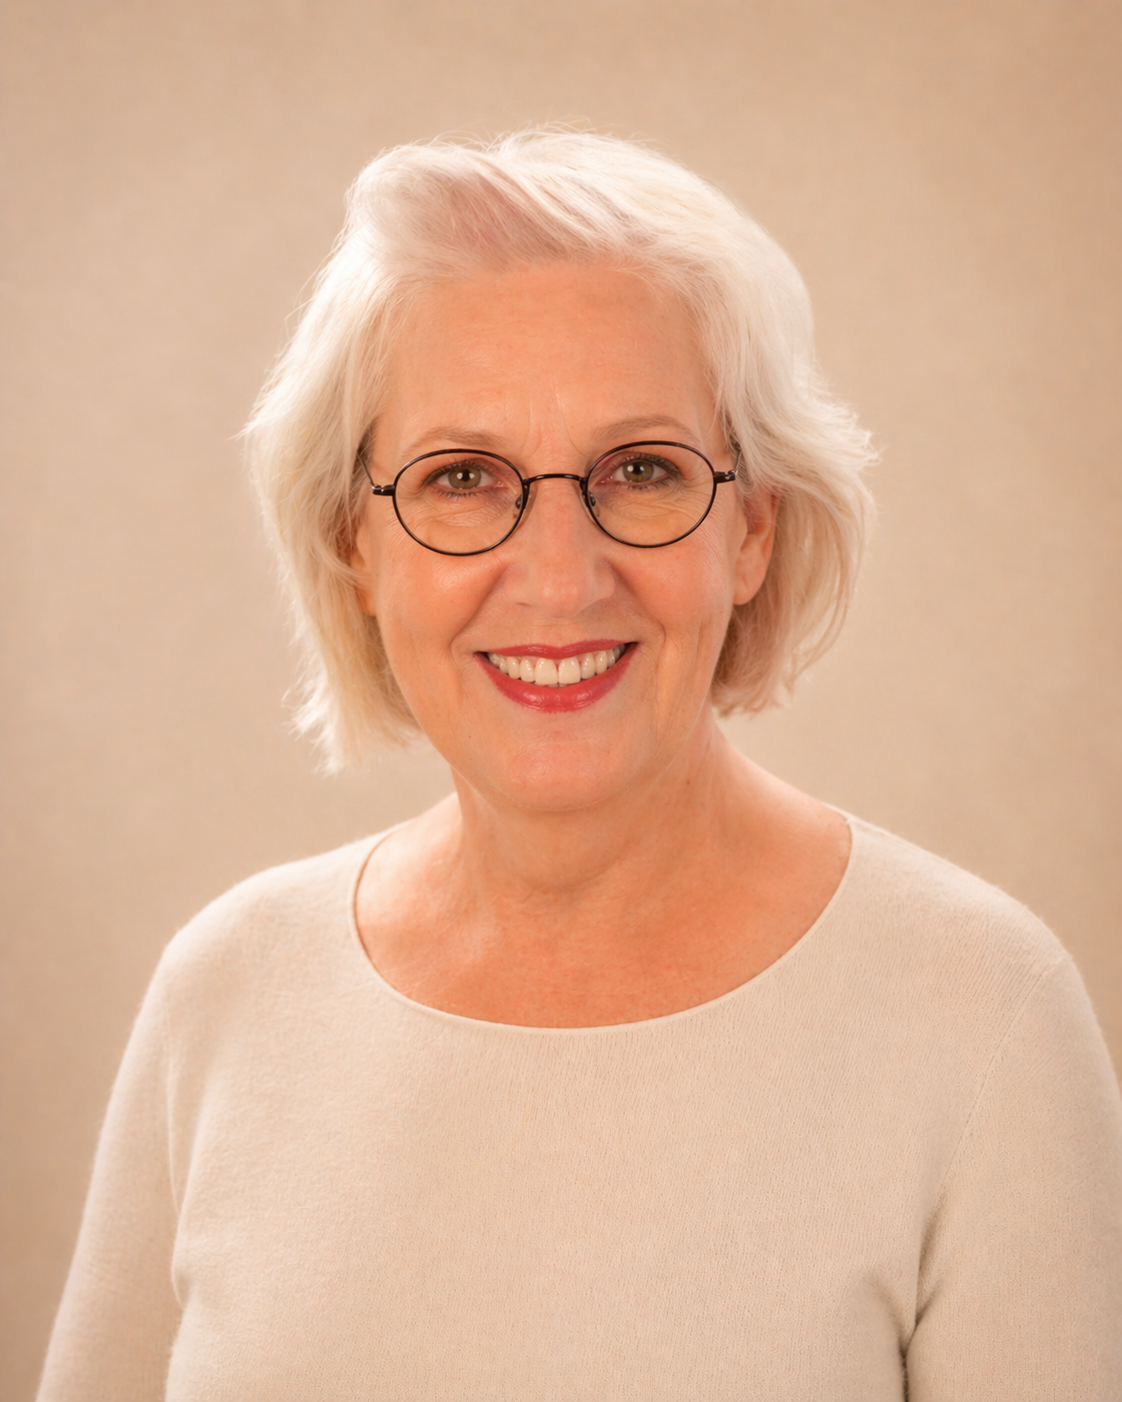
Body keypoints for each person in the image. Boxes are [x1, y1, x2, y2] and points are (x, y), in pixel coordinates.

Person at [38, 130, 1122, 1401]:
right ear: (358, 549)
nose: (559, 577)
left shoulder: (983, 1015)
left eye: (644, 470)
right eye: (460, 477)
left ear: (752, 530)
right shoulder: (223, 994)